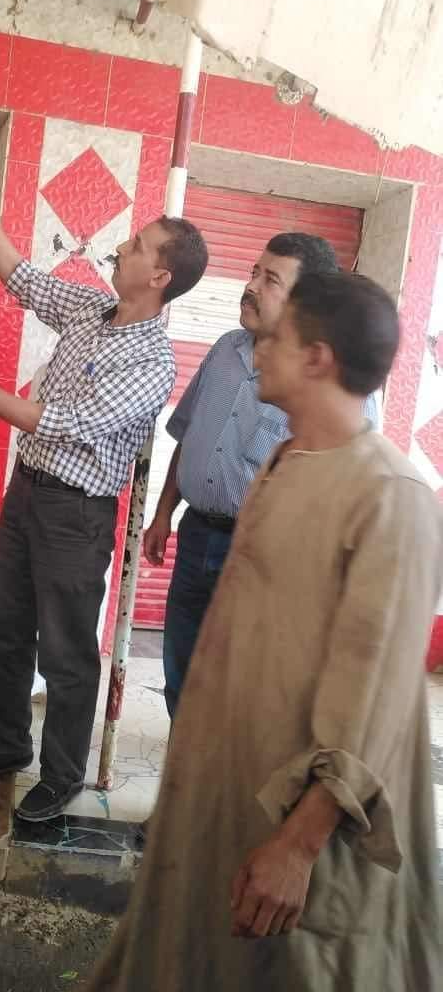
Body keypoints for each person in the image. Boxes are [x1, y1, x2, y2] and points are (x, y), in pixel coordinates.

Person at [84, 272, 442, 992]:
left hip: (307, 829)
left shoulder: (391, 495)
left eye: (275, 339)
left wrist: (299, 846)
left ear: (317, 357)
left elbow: (373, 696)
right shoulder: (285, 463)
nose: (259, 351)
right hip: (232, 785)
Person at [0, 138, 209, 822]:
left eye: (137, 246)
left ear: (161, 275)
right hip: (27, 493)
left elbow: (67, 422)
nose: (121, 248)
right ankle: (5, 747)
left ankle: (61, 778)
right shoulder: (89, 309)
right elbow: (19, 275)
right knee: (2, 629)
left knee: (65, 653)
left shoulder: (153, 363)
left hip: (76, 516)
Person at [144, 233, 379, 718]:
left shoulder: (327, 384)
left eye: (270, 279)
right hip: (195, 537)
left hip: (259, 552)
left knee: (242, 688)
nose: (250, 286)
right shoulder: (225, 349)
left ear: (305, 302)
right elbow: (189, 434)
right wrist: (164, 512)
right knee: (181, 672)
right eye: (254, 272)